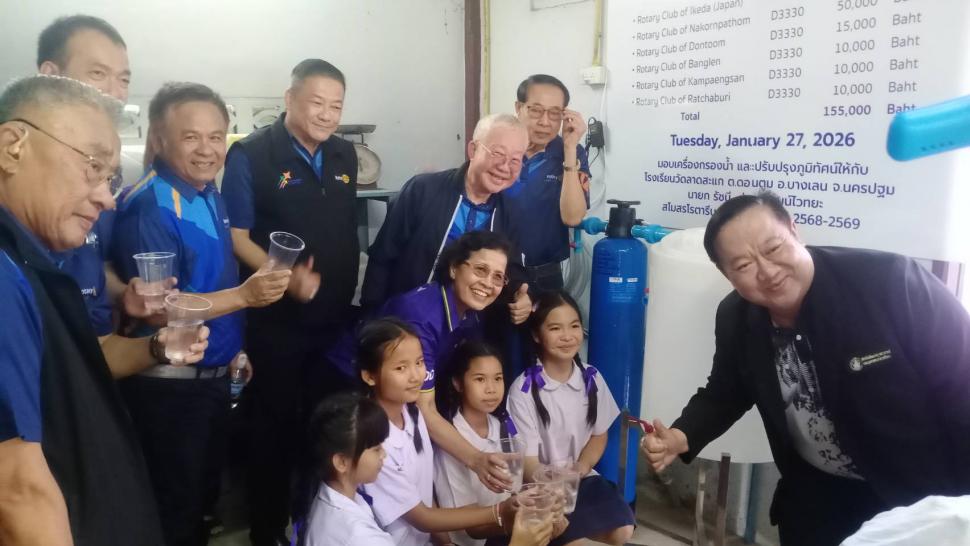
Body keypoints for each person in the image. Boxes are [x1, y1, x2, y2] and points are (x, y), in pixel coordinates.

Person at [640, 191, 970, 546]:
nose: (767, 272)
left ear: (794, 231)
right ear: (726, 274)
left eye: (773, 248)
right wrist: (682, 435)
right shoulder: (736, 316)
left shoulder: (892, 282)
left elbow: (962, 389)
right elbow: (726, 391)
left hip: (915, 496)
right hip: (816, 496)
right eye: (744, 266)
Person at [0, 75, 208, 545]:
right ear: (13, 147)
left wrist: (156, 347)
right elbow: (17, 493)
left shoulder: (36, 263)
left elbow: (78, 364)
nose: (107, 198)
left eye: (111, 178)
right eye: (92, 167)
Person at [111, 81, 290, 546]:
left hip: (212, 378)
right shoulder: (148, 207)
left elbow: (213, 276)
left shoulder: (209, 193)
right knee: (175, 513)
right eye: (191, 137)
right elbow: (161, 312)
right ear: (159, 138)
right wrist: (246, 297)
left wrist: (235, 350)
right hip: (168, 388)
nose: (207, 150)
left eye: (216, 136)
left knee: (203, 504)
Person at [220, 59, 359, 545]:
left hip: (333, 321)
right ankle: (267, 530)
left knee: (327, 426)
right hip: (276, 322)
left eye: (336, 106)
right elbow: (236, 237)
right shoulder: (252, 154)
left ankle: (319, 525)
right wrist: (285, 277)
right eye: (317, 102)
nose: (327, 115)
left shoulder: (344, 154)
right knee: (273, 428)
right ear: (289, 99)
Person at [35, 14, 153, 334]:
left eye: (124, 80)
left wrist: (124, 295)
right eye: (98, 73)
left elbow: (94, 263)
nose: (114, 93)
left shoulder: (106, 175)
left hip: (97, 349)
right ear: (50, 75)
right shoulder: (22, 172)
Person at [357, 319, 521, 546]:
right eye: (401, 368)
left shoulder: (413, 415)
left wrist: (444, 543)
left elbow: (423, 493)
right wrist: (500, 511)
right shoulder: (372, 442)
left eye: (419, 362)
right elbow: (423, 517)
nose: (416, 376)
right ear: (369, 376)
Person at [360, 113, 532, 326]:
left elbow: (513, 270)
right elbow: (383, 256)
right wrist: (371, 318)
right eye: (497, 153)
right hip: (405, 324)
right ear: (473, 150)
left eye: (515, 160)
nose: (505, 167)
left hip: (470, 329)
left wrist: (522, 296)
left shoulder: (511, 213)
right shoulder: (423, 190)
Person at [508, 291, 635, 546]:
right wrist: (555, 485)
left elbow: (599, 435)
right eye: (555, 328)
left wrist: (582, 467)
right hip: (541, 487)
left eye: (574, 326)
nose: (567, 336)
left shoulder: (592, 377)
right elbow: (528, 464)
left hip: (580, 480)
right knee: (572, 541)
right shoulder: (523, 390)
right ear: (536, 335)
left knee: (623, 529)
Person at [506, 74, 590, 292]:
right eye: (536, 110)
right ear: (518, 108)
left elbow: (573, 217)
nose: (545, 122)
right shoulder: (500, 146)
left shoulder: (573, 153)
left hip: (544, 275)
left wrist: (569, 149)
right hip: (496, 272)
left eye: (554, 113)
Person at [299, 392, 395, 546]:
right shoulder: (360, 537)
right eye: (376, 449)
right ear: (342, 462)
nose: (383, 454)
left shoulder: (325, 497)